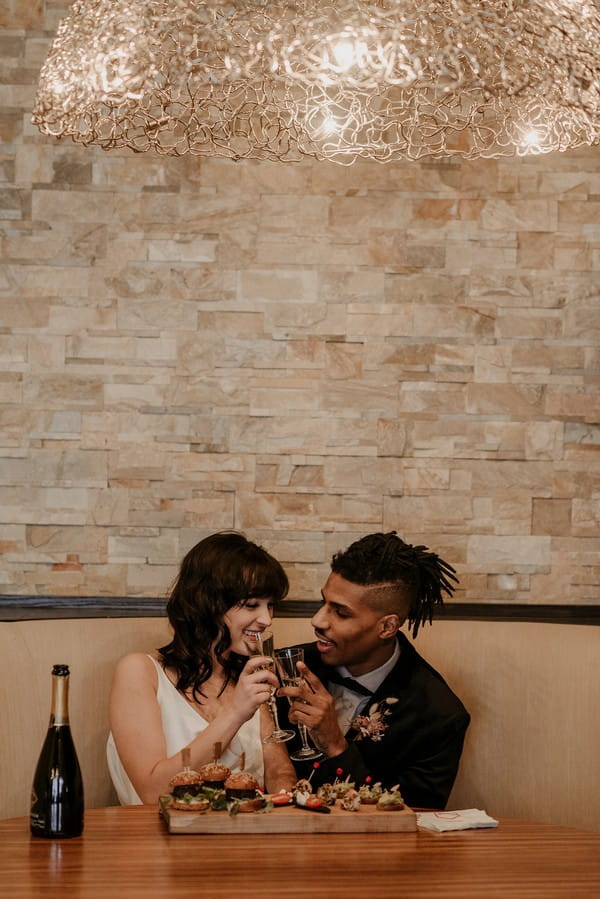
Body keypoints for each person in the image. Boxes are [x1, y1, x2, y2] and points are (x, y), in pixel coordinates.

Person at [278, 531, 470, 809]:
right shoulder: (287, 667)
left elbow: (413, 818)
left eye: (341, 613)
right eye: (324, 603)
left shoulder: (438, 716)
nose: (317, 620)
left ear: (387, 627)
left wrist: (335, 746)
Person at [107, 531, 297, 804]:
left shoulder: (251, 677)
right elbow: (152, 793)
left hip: (245, 839)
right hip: (160, 840)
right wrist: (235, 713)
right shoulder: (139, 672)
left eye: (271, 606)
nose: (267, 619)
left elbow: (278, 769)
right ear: (208, 603)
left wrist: (289, 800)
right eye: (252, 605)